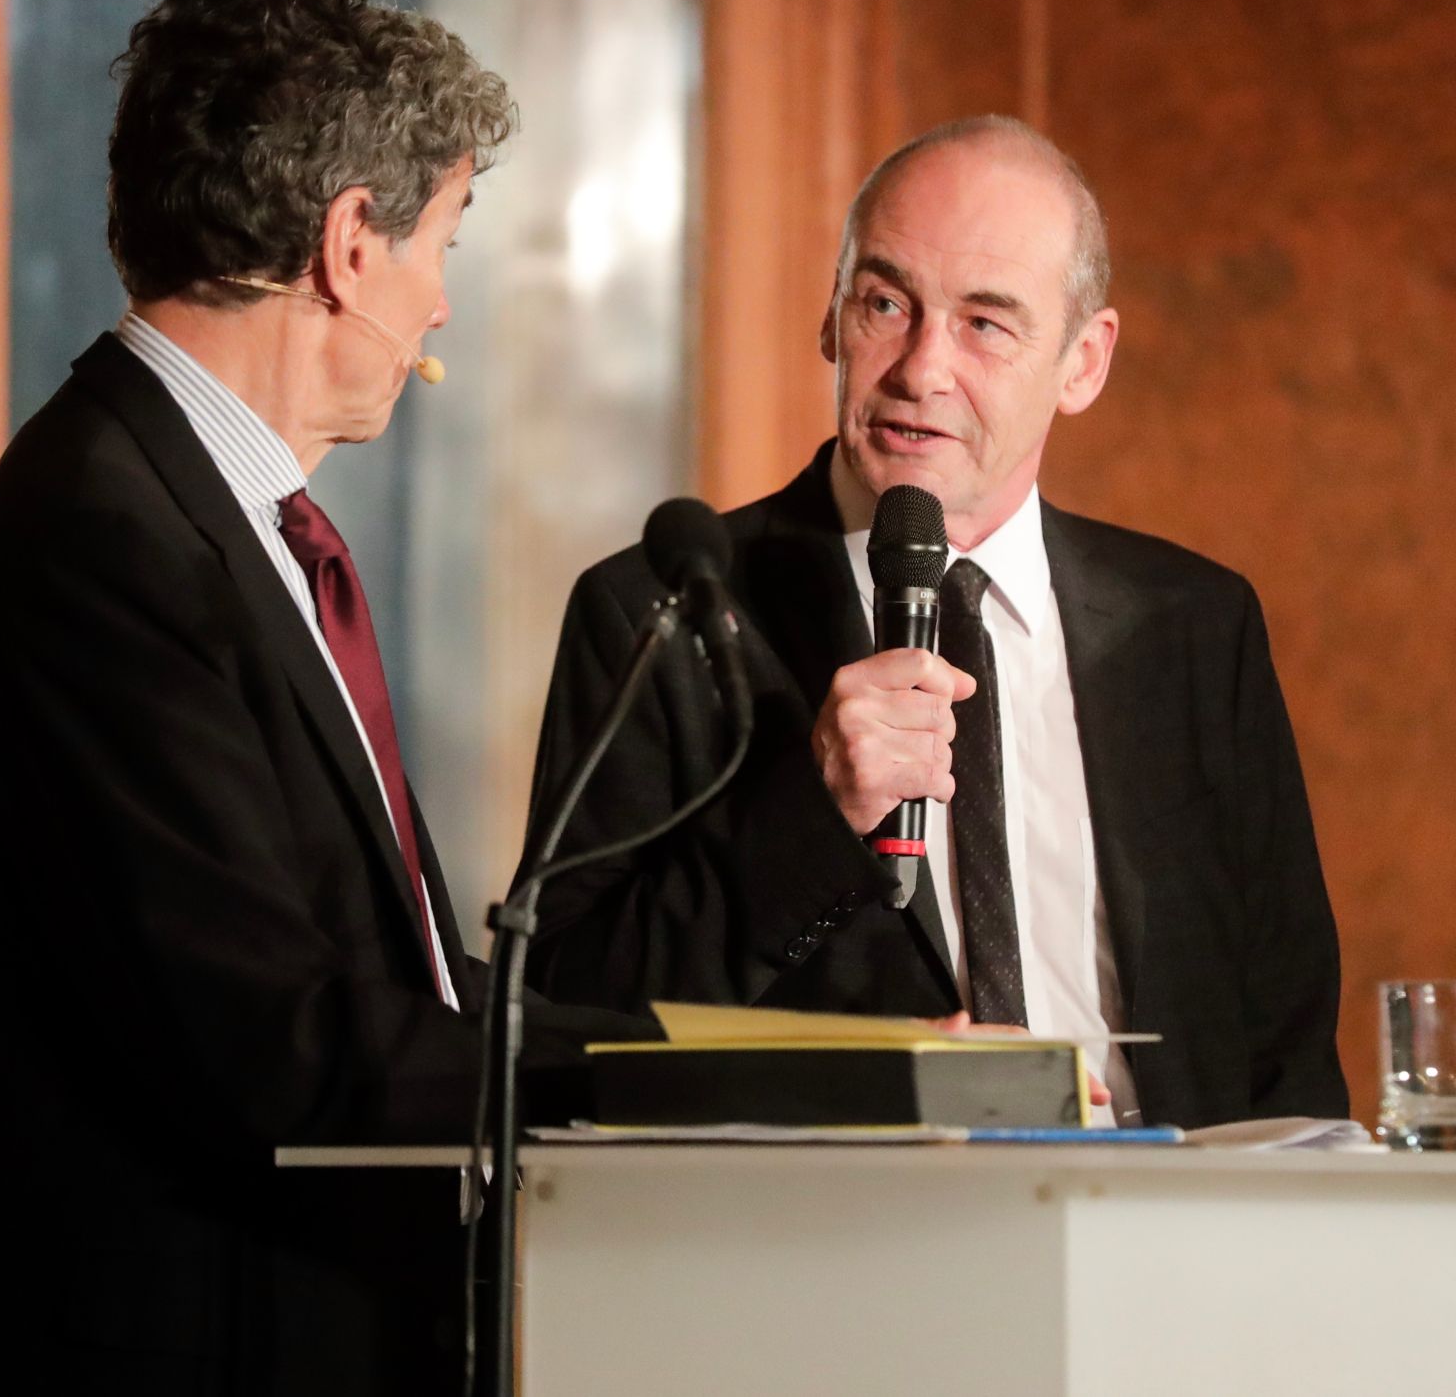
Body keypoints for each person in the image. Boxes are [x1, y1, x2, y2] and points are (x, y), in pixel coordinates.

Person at [0, 0, 639, 1396]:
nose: (441, 305)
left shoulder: (209, 516)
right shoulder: (97, 545)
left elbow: (392, 974)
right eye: (442, 241)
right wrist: (656, 1082)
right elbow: (272, 1038)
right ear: (350, 245)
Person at [520, 115, 1347, 1131]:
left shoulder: (1193, 626)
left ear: (1083, 363)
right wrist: (811, 813)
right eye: (884, 304)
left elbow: (1286, 1039)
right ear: (830, 317)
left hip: (1160, 1207)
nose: (920, 369)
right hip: (845, 1214)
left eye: (985, 324)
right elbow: (564, 1010)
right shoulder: (665, 610)